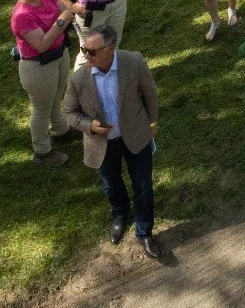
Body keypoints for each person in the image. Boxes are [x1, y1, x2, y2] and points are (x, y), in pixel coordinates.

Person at [63, 27, 168, 261]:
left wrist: (152, 123)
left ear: (110, 49)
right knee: (111, 184)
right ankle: (120, 213)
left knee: (143, 186)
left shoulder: (134, 62)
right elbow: (69, 112)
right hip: (102, 144)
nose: (86, 56)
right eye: (83, 50)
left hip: (136, 135)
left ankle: (144, 232)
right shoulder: (79, 78)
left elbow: (149, 93)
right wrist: (90, 126)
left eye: (91, 51)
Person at [10, 0, 77, 168]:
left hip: (59, 54)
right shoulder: (22, 15)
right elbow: (41, 45)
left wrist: (62, 20)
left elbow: (67, 12)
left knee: (57, 96)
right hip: (38, 66)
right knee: (41, 109)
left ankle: (59, 129)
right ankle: (42, 151)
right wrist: (60, 22)